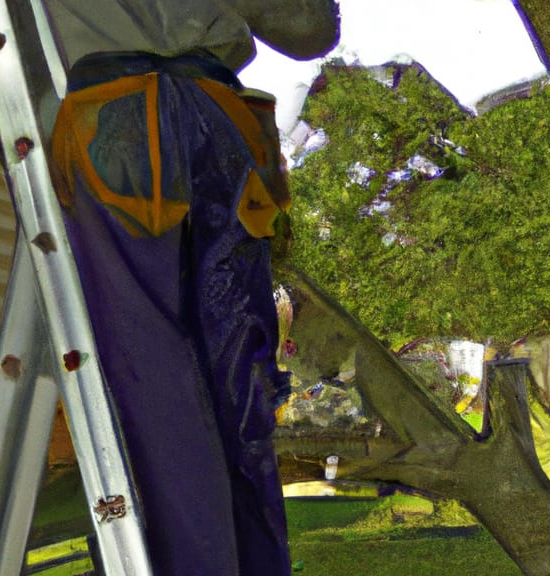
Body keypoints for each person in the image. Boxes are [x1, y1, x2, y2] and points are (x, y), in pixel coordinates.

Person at [42, 2, 339, 574]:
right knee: (237, 387)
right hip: (216, 123)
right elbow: (309, 31)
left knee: (149, 381)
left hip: (114, 119)